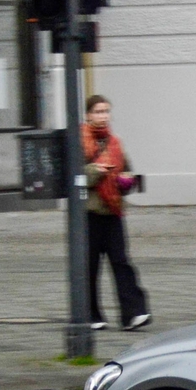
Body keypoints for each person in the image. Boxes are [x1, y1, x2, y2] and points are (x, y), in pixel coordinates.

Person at [81, 94, 151, 332]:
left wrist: (126, 181)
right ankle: (91, 315)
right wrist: (95, 171)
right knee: (89, 266)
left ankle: (134, 313)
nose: (103, 116)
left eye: (106, 111)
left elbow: (128, 170)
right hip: (88, 213)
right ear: (88, 115)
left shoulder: (115, 142)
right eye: (98, 112)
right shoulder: (80, 141)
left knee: (121, 262)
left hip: (113, 211)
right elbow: (75, 177)